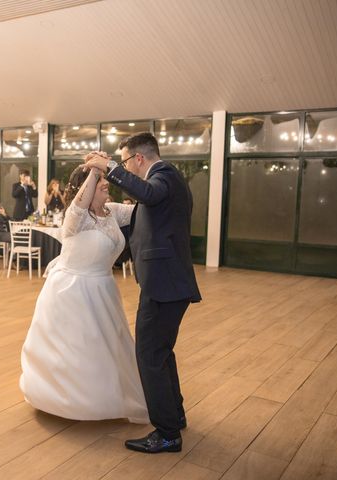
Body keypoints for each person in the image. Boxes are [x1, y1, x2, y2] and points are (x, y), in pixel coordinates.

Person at [85, 132, 201, 454]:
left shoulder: (164, 176)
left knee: (149, 357)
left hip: (164, 285)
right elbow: (148, 213)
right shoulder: (168, 181)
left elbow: (149, 195)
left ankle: (166, 434)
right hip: (167, 283)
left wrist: (108, 166)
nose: (124, 168)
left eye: (124, 161)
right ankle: (174, 417)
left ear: (138, 158)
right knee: (161, 354)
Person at [20, 165, 148, 424]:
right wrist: (94, 169)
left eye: (105, 180)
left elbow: (143, 207)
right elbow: (79, 204)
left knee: (105, 345)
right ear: (85, 187)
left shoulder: (113, 212)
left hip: (103, 289)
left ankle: (104, 396)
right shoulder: (75, 217)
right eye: (100, 181)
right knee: (75, 346)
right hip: (70, 290)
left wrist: (113, 170)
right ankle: (63, 398)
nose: (105, 183)